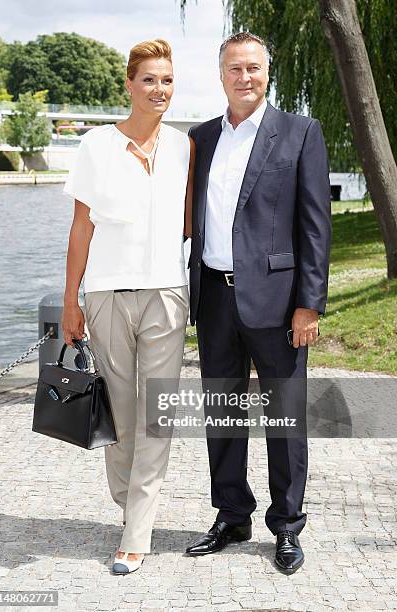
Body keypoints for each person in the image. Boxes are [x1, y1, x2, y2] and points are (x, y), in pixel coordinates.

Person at [185, 32, 331, 574]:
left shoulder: (300, 132)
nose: (244, 77)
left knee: (285, 419)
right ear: (220, 75)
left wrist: (309, 303)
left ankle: (287, 526)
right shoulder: (200, 139)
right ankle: (232, 513)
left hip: (279, 303)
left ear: (267, 72)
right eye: (234, 69)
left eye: (254, 68)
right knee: (221, 415)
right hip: (214, 299)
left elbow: (316, 225)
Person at [61, 38, 194, 575]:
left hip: (167, 291)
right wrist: (71, 300)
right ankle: (129, 503)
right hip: (106, 294)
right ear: (129, 84)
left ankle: (137, 531)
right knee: (120, 416)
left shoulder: (185, 147)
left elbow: (188, 222)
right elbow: (80, 227)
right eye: (148, 80)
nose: (158, 89)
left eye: (166, 80)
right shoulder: (95, 145)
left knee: (156, 415)